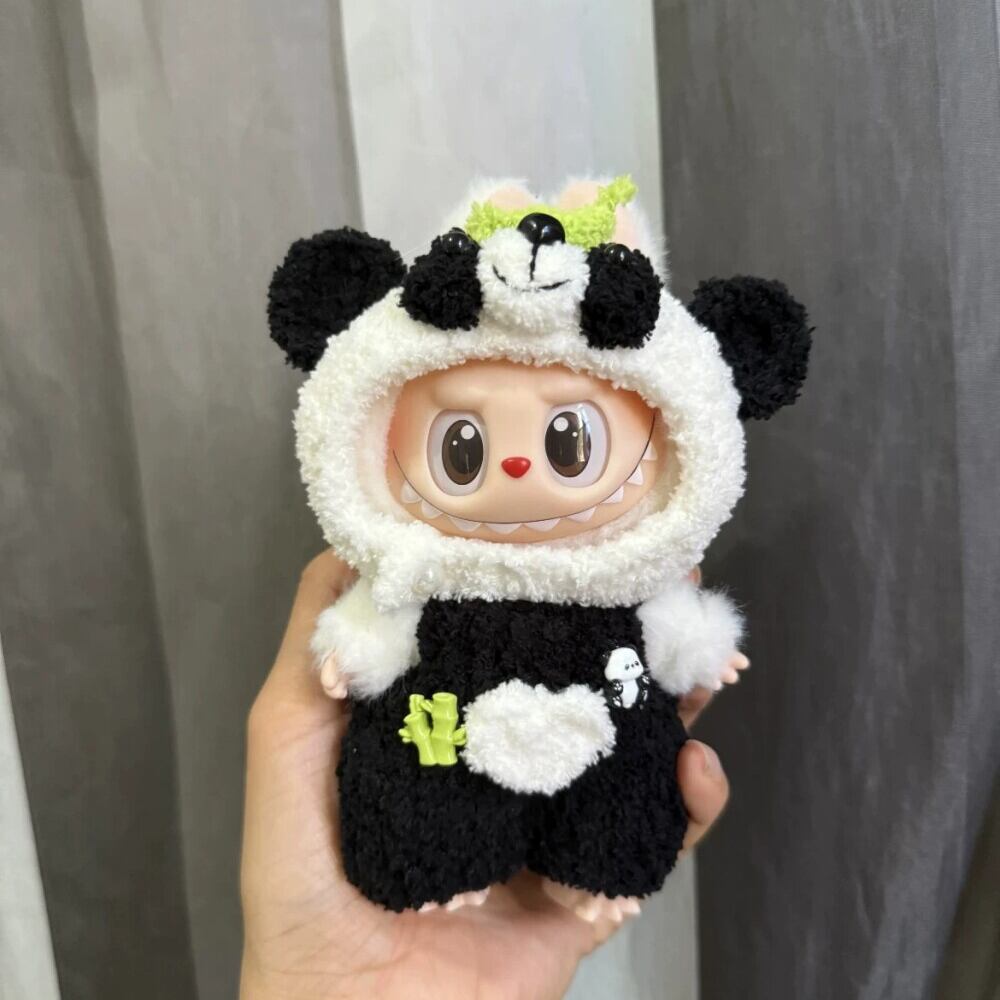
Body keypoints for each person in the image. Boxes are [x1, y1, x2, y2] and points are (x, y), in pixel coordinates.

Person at [239, 551, 730, 1000]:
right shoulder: (422, 574)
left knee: (621, 802)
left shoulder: (625, 581)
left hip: (606, 731)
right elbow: (382, 620)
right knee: (432, 794)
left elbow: (676, 637)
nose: (524, 484)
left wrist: (701, 647)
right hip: (448, 740)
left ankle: (594, 877)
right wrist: (353, 644)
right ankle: (446, 870)